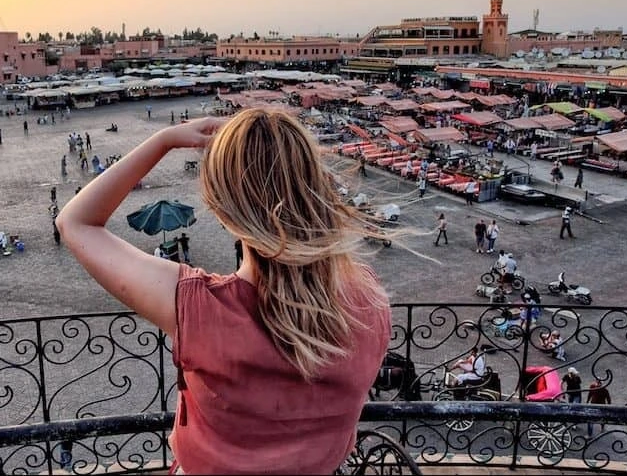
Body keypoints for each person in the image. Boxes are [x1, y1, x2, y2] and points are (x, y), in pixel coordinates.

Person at [55, 109, 391, 474]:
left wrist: (164, 140)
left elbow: (76, 222)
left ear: (221, 211)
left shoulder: (200, 309)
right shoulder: (368, 299)